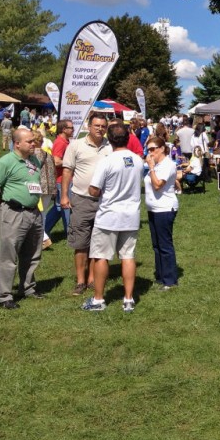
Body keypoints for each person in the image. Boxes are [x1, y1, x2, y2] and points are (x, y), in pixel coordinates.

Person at [81, 123, 143, 312]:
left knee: (101, 257)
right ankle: (128, 299)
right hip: (131, 214)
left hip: (109, 214)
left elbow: (94, 189)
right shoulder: (138, 160)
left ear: (109, 139)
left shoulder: (107, 161)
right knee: (128, 256)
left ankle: (98, 300)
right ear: (128, 138)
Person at [0, 129, 45, 309]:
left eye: (34, 141)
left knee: (33, 254)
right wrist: (2, 204)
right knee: (8, 255)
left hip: (34, 212)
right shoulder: (5, 162)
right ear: (17, 143)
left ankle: (28, 288)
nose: (33, 144)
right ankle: (5, 296)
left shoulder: (34, 159)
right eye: (29, 141)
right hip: (13, 212)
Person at [61, 114, 112, 295]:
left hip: (105, 201)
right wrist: (64, 195)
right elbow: (67, 171)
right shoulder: (76, 145)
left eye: (103, 126)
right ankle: (80, 280)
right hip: (81, 199)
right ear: (88, 127)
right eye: (96, 125)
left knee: (98, 242)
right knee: (81, 242)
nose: (100, 129)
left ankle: (92, 278)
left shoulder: (110, 146)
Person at [144, 136, 179, 290]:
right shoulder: (157, 165)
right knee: (156, 245)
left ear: (162, 148)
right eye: (148, 149)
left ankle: (170, 280)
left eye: (153, 149)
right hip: (153, 208)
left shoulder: (168, 165)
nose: (150, 152)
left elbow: (158, 184)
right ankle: (160, 275)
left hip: (165, 208)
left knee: (165, 245)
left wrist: (151, 168)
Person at [45, 119, 73, 237]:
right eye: (71, 128)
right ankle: (70, 233)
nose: (73, 130)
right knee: (67, 206)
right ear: (63, 129)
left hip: (64, 179)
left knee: (58, 208)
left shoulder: (65, 141)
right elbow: (56, 161)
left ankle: (43, 230)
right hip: (62, 180)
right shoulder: (60, 142)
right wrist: (72, 162)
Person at [32, 129, 57, 250]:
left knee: (36, 214)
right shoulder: (48, 154)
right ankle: (39, 238)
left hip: (38, 187)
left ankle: (43, 238)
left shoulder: (33, 155)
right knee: (43, 213)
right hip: (50, 186)